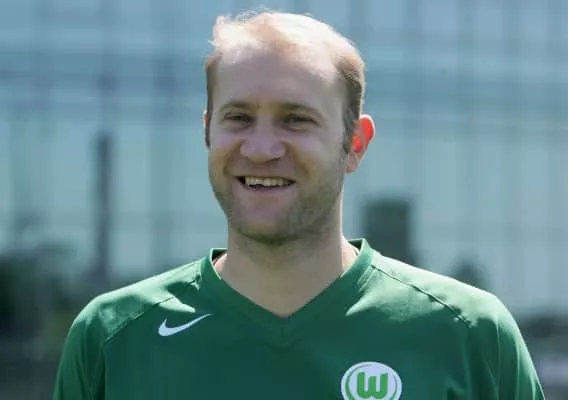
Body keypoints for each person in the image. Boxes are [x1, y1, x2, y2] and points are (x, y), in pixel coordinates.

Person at [53, 10, 545, 400]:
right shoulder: (112, 338)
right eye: (238, 117)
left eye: (296, 120)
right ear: (207, 132)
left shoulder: (468, 335)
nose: (261, 148)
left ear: (355, 145)